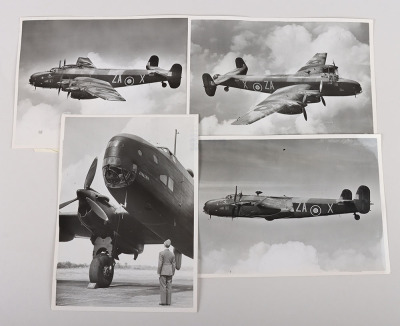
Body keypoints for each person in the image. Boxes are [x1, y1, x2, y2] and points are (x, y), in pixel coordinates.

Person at [157, 239, 176, 306]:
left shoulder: (161, 253)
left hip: (163, 272)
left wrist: (158, 272)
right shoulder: (172, 254)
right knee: (169, 287)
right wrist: (173, 272)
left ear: (164, 245)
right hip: (170, 272)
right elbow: (174, 265)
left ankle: (163, 302)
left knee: (163, 287)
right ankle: (168, 302)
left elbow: (160, 263)